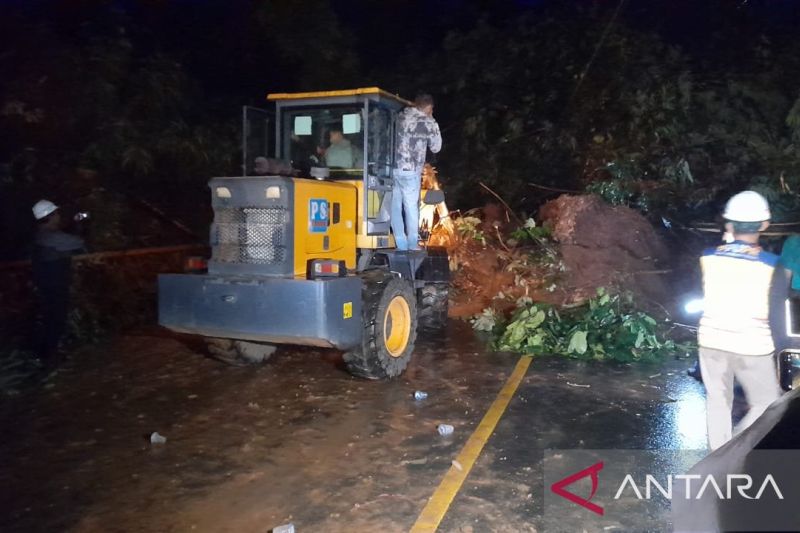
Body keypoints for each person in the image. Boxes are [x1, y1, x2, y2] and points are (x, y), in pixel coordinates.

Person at [697, 190, 782, 450]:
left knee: (718, 401)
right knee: (769, 404)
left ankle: (718, 455)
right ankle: (736, 445)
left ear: (729, 224)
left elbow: (727, 255)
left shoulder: (707, 257)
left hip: (711, 339)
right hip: (752, 344)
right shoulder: (772, 264)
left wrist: (729, 240)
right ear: (765, 225)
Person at [30, 199, 85, 367]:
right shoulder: (50, 237)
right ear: (51, 216)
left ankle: (45, 353)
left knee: (50, 319)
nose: (59, 216)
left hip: (46, 284)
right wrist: (79, 226)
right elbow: (78, 242)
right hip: (55, 285)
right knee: (55, 320)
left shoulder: (41, 235)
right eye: (57, 213)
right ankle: (48, 356)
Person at [391, 93, 442, 251]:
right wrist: (432, 120)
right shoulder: (428, 122)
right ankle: (412, 245)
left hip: (393, 168)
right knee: (411, 206)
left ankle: (400, 243)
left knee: (395, 205)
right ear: (429, 108)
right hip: (411, 170)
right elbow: (436, 147)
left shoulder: (399, 117)